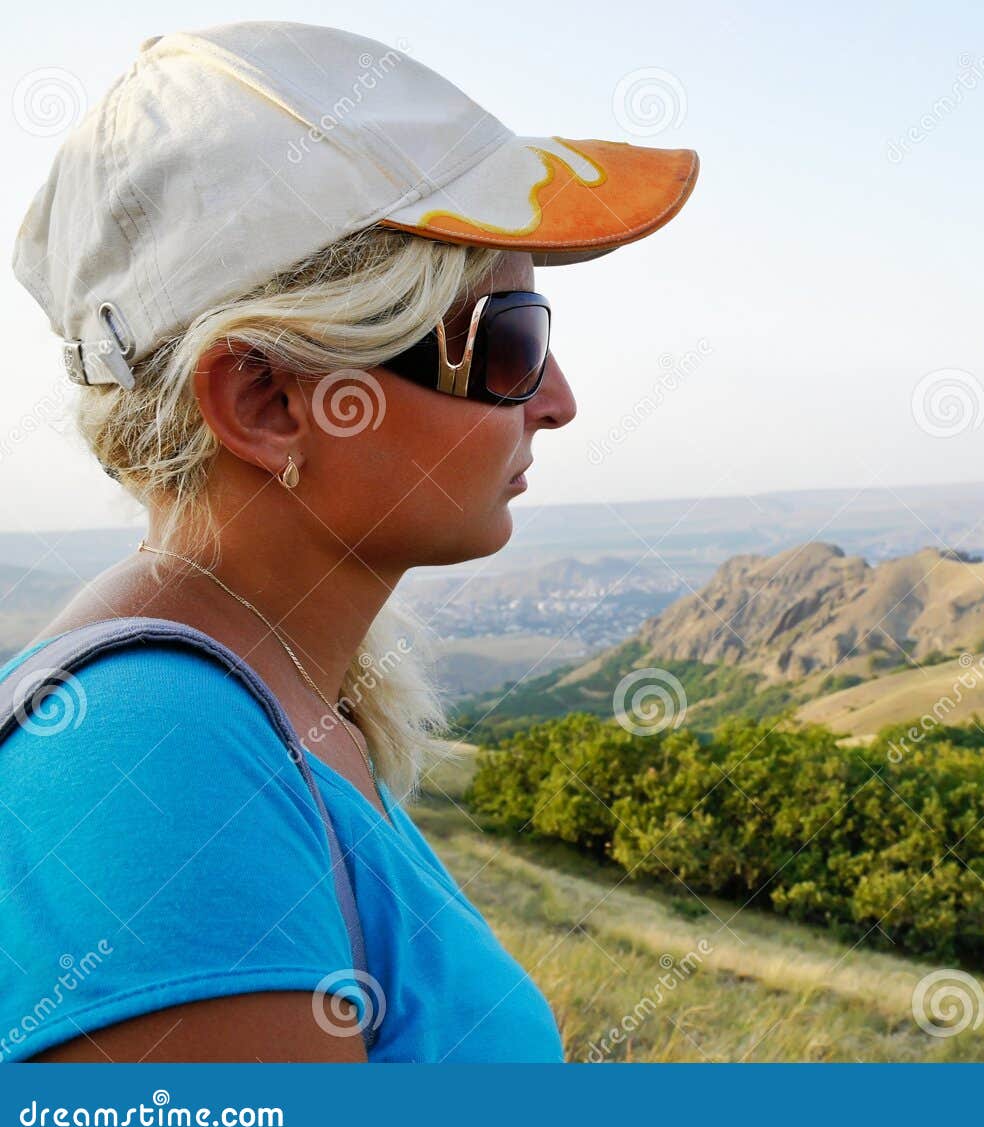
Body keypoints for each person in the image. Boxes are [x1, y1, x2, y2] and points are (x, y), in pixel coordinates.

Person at [0, 20, 698, 1061]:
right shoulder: (156, 761)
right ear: (269, 399)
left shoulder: (273, 708)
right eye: (508, 341)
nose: (557, 400)